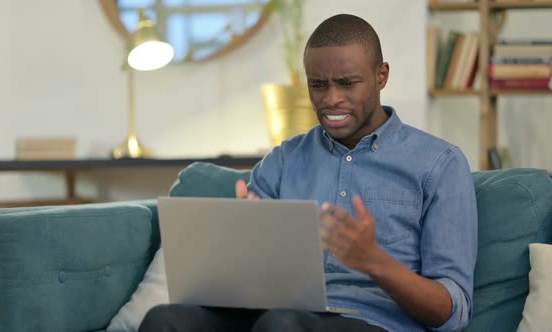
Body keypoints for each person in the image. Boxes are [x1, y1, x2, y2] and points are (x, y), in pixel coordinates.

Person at [140, 13, 477, 332]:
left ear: (381, 76)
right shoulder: (284, 160)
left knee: (283, 324)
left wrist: (374, 261)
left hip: (374, 322)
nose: (331, 100)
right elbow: (245, 282)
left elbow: (454, 312)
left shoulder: (439, 164)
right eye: (318, 85)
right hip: (274, 317)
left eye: (347, 83)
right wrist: (241, 249)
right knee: (165, 320)